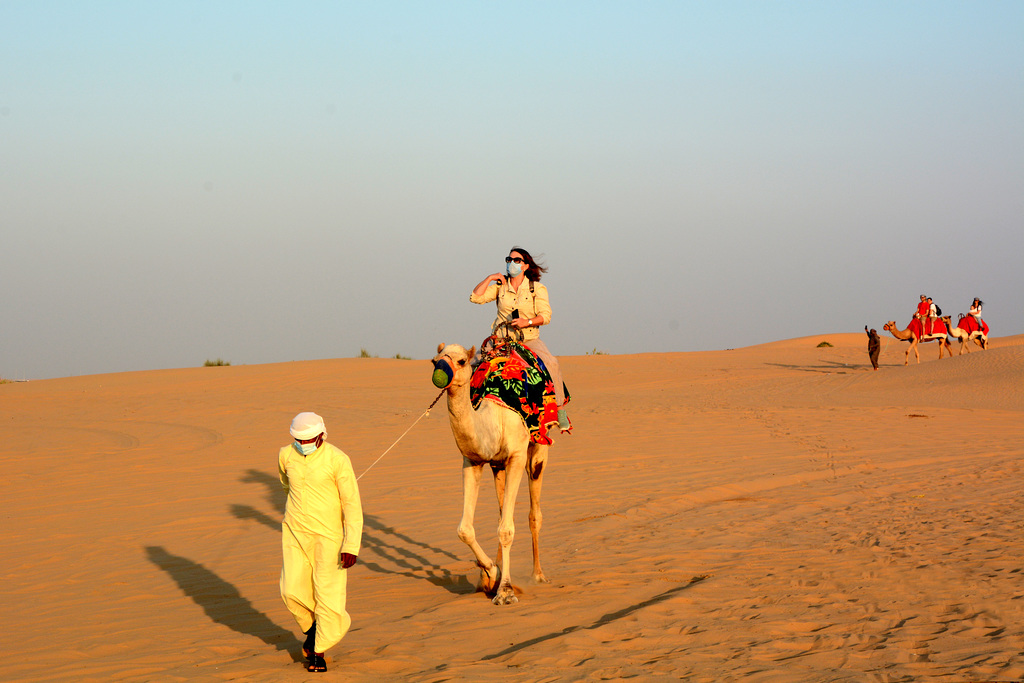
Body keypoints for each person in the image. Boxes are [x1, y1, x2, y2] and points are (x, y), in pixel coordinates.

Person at [278, 412, 363, 673]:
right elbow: (286, 486)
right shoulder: (285, 455)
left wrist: (351, 545)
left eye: (309, 438)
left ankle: (318, 652)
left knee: (326, 595)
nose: (304, 443)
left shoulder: (338, 459)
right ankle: (314, 630)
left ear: (322, 435)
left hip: (329, 537)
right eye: (299, 439)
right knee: (290, 589)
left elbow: (352, 504)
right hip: (294, 531)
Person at [471, 246, 570, 430]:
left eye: (516, 260)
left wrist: (528, 321)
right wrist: (490, 278)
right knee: (473, 365)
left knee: (551, 363)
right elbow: (475, 298)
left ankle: (560, 409)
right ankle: (469, 410)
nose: (512, 263)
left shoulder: (536, 288)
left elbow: (545, 316)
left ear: (525, 266)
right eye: (509, 260)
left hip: (528, 339)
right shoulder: (500, 287)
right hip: (501, 340)